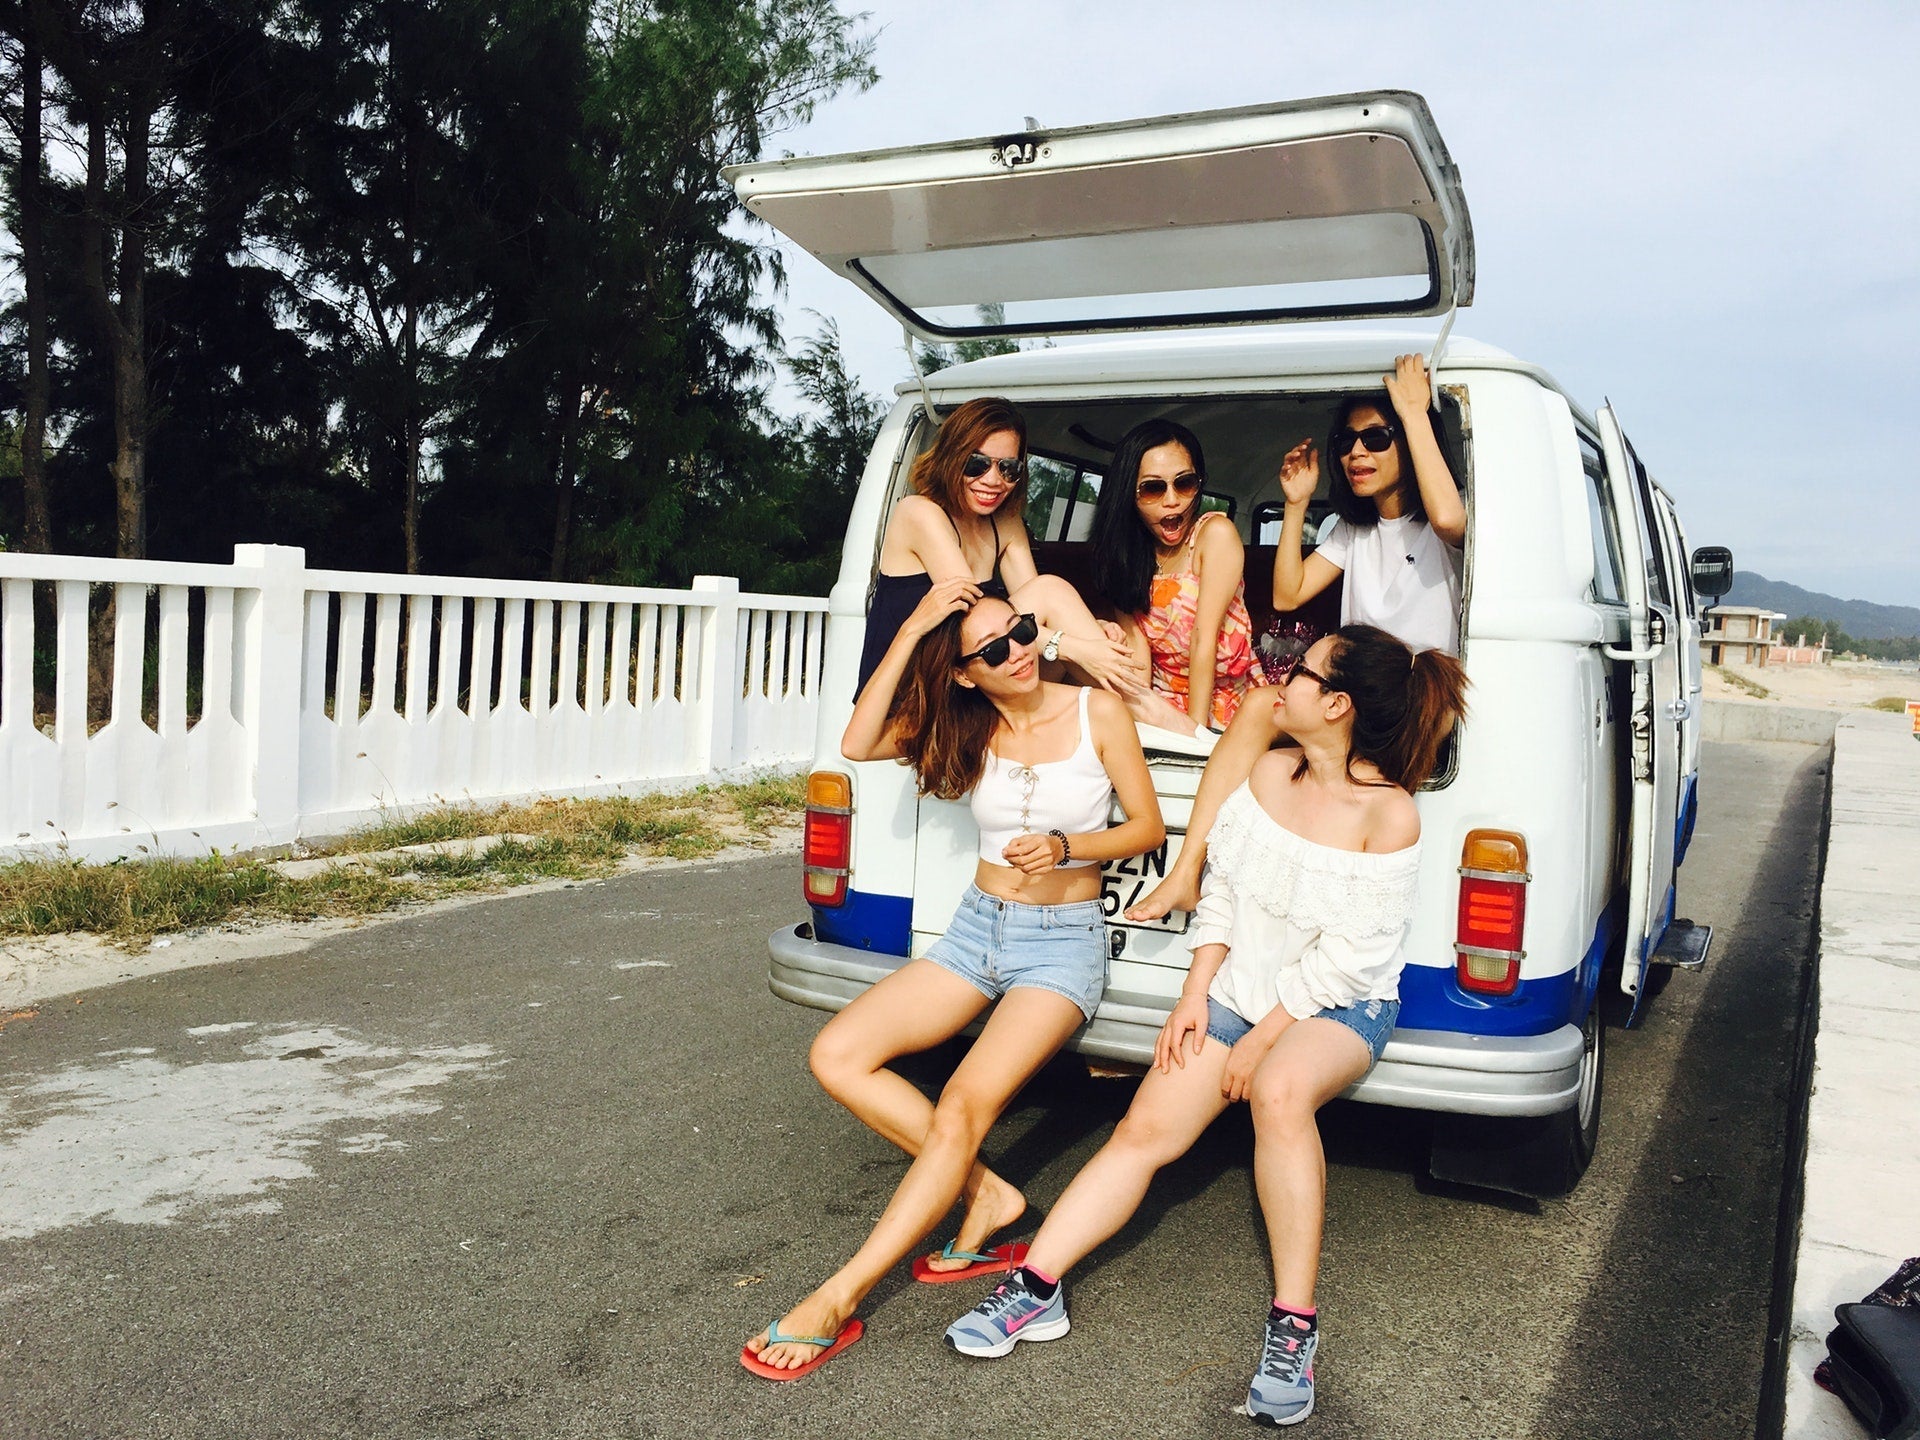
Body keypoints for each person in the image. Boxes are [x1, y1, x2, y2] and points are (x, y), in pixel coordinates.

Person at [943, 625, 1468, 1427]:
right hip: (1235, 992)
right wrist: (1197, 994)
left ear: (1336, 704)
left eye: (1300, 671)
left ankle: (1294, 1328)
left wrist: (1261, 1039)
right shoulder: (1265, 770)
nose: (1279, 679)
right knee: (1144, 1128)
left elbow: (1352, 960)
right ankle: (1037, 1287)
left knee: (1283, 1095)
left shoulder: (1389, 815)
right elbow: (1221, 890)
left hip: (1337, 1005)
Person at [743, 586, 1165, 1380]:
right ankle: (991, 1197)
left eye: (1025, 631)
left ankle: (838, 1297)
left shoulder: (1094, 712)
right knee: (837, 1054)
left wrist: (1070, 844)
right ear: (966, 674)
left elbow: (1146, 825)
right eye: (995, 648)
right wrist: (911, 627)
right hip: (976, 931)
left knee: (964, 1105)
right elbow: (858, 739)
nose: (1021, 650)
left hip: (1059, 946)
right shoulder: (966, 721)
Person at [1127, 353, 1467, 920]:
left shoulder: (1444, 523)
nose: (1357, 452)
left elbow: (1451, 519)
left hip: (1404, 703)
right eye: (1349, 440)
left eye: (1377, 438)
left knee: (1271, 712)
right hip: (1351, 698)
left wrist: (1413, 412)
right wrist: (1296, 506)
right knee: (1262, 703)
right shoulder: (1353, 530)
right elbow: (1288, 594)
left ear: (1410, 440)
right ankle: (1188, 871)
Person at [854, 395, 1138, 700]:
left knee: (1056, 599)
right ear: (950, 457)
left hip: (978, 677)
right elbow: (978, 622)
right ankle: (1157, 722)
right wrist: (1079, 647)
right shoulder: (918, 512)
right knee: (1069, 634)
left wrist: (1087, 631)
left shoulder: (1004, 523)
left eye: (1008, 469)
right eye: (976, 464)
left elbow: (1035, 611)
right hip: (916, 694)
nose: (993, 480)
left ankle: (1155, 720)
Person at [1089, 418, 1266, 732]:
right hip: (1158, 703)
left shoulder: (1214, 535)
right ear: (1129, 494)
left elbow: (1203, 638)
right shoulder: (1127, 555)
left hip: (1223, 706)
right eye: (1153, 488)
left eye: (1184, 483)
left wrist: (1195, 733)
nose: (1172, 500)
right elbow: (1139, 654)